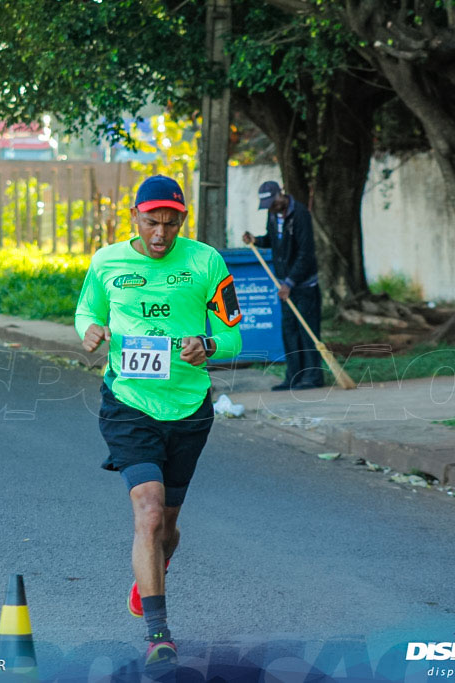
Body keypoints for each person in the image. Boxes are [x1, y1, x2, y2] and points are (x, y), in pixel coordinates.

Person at [75, 175, 242, 671]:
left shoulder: (206, 262)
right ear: (134, 216)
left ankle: (157, 563)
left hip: (189, 408)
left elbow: (233, 337)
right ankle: (158, 635)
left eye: (172, 223)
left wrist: (208, 345)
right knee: (147, 514)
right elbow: (87, 307)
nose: (161, 234)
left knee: (167, 526)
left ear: (182, 222)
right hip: (128, 402)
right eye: (152, 222)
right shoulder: (108, 261)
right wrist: (91, 330)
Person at [243, 180, 323, 391]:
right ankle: (294, 376)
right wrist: (256, 240)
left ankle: (313, 377)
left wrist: (290, 282)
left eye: (274, 202)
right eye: (268, 204)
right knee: (289, 331)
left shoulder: (301, 216)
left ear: (281, 194)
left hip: (304, 286)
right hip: (286, 287)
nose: (272, 207)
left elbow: (306, 253)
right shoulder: (272, 214)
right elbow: (273, 240)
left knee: (308, 331)